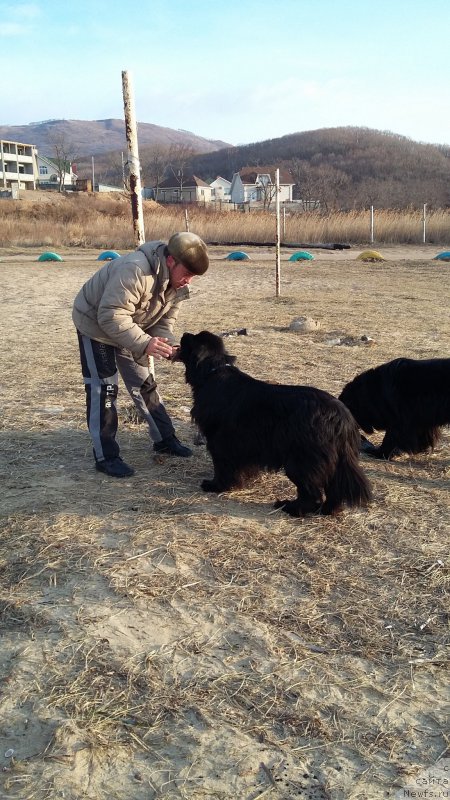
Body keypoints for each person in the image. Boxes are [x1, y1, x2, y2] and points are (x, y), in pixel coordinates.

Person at [72, 231, 209, 478]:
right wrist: (145, 343)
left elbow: (165, 320)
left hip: (131, 327)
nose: (189, 281)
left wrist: (166, 343)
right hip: (96, 326)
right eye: (187, 274)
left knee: (145, 384)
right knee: (104, 389)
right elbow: (110, 315)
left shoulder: (178, 285)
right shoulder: (135, 270)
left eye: (193, 277)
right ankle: (106, 456)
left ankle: (165, 440)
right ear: (171, 261)